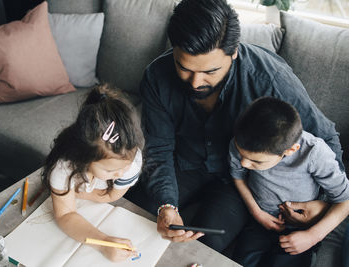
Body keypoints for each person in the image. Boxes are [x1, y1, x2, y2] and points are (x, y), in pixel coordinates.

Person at [126, 0, 345, 254]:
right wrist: (166, 205)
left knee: (202, 250)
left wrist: (324, 203)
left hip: (241, 180)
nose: (196, 82)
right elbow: (159, 147)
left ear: (234, 52)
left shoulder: (270, 78)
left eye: (210, 71)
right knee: (132, 217)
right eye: (183, 68)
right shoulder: (156, 76)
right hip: (184, 164)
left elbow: (325, 137)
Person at [228, 97, 349, 267]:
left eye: (256, 162)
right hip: (259, 221)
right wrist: (256, 212)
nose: (244, 164)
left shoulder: (315, 153)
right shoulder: (242, 140)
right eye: (241, 155)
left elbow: (345, 200)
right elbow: (238, 176)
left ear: (291, 150)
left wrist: (312, 236)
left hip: (301, 227)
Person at [42, 84, 144, 262]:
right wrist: (103, 243)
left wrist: (73, 193)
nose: (120, 174)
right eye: (110, 170)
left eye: (124, 167)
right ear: (84, 158)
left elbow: (112, 196)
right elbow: (65, 215)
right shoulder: (63, 168)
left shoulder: (133, 162)